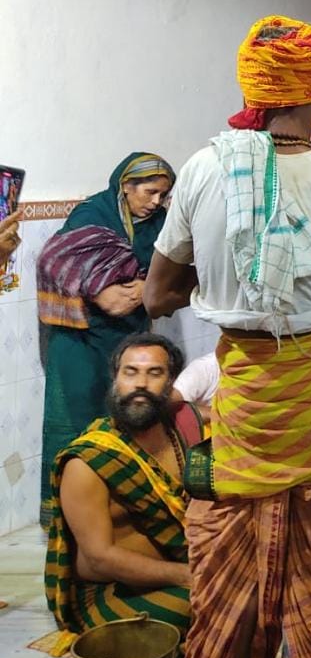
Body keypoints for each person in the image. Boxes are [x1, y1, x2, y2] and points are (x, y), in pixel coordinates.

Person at [143, 15, 311, 658]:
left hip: (248, 419)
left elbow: (157, 296)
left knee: (231, 594)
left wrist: (229, 284)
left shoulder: (204, 169)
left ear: (251, 90)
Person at [38, 153, 175, 522]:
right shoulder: (92, 217)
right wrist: (135, 289)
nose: (156, 202)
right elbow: (105, 295)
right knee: (78, 420)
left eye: (163, 194)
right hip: (80, 342)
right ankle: (70, 517)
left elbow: (176, 271)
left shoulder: (160, 223)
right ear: (125, 186)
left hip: (129, 340)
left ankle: (119, 512)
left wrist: (145, 287)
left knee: (126, 420)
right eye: (149, 192)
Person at [45, 332, 203, 638]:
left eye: (154, 373)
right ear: (115, 380)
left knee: (247, 587)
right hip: (109, 591)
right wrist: (186, 575)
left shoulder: (180, 434)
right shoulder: (89, 460)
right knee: (215, 603)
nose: (140, 383)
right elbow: (98, 559)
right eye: (130, 372)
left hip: (180, 571)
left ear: (171, 383)